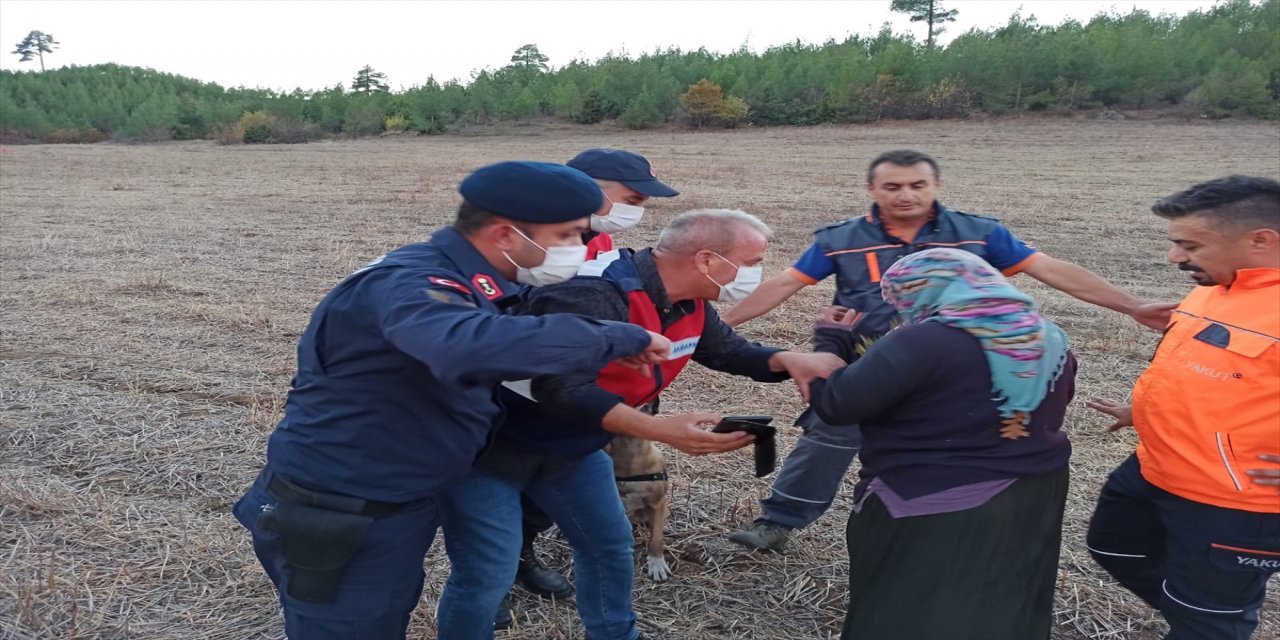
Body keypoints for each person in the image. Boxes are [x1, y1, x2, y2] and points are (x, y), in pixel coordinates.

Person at [231, 161, 682, 640]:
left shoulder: (481, 281)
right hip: (341, 513)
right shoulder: (414, 282)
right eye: (569, 235)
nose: (580, 248)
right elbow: (464, 343)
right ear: (507, 235)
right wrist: (609, 336)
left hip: (391, 501)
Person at [724, 148, 1173, 552]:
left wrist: (1131, 306)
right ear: (872, 189)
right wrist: (718, 328)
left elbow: (1051, 269)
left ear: (935, 186)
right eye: (893, 186)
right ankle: (778, 522)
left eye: (918, 185)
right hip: (869, 363)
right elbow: (785, 284)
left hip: (958, 374)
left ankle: (932, 529)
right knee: (826, 440)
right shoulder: (841, 239)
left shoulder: (977, 233)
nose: (906, 195)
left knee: (946, 453)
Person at [435, 209, 846, 640]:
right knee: (486, 573)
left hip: (575, 448)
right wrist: (659, 429)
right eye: (751, 261)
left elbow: (726, 350)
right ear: (707, 260)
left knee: (607, 547)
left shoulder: (690, 302)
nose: (755, 273)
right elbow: (558, 387)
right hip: (492, 450)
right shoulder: (594, 292)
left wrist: (786, 359)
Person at [810, 247, 1077, 640]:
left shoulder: (924, 339)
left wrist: (830, 343)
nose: (901, 312)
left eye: (901, 299)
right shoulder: (1049, 335)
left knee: (910, 608)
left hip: (933, 501)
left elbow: (838, 403)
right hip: (1035, 491)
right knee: (1001, 597)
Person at [1085, 175, 1280, 640]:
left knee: (1207, 620)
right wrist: (1148, 410)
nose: (1174, 257)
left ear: (1260, 240)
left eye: (1189, 245)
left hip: (1238, 502)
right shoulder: (1214, 286)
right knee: (1114, 547)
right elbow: (1208, 370)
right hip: (1155, 469)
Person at [512, 148, 681, 602]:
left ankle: (523, 552)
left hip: (586, 385)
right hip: (525, 386)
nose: (637, 210)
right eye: (633, 198)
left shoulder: (600, 239)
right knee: (507, 482)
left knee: (563, 471)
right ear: (587, 189)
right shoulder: (526, 239)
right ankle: (498, 572)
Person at [570, 148, 679, 259]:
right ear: (586, 191)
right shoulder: (552, 238)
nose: (636, 210)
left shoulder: (600, 237)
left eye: (642, 203)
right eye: (631, 201)